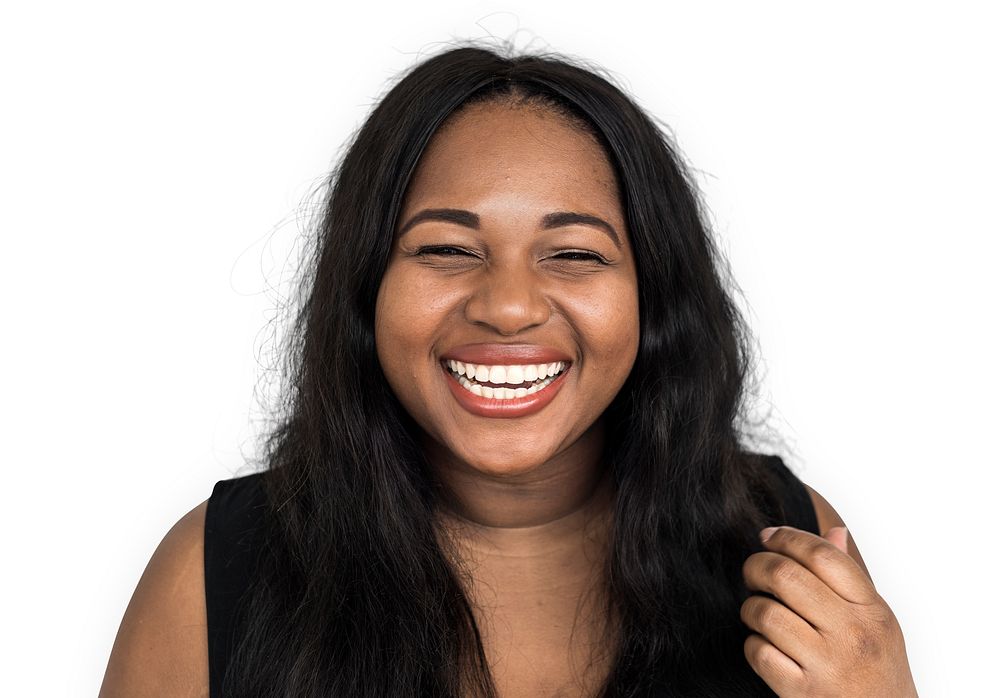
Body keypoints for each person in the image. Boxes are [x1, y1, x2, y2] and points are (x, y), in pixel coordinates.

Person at [99, 42, 917, 697]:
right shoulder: (210, 578)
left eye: (572, 253)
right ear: (366, 289)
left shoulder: (787, 547)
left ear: (653, 297)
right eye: (448, 249)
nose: (510, 306)